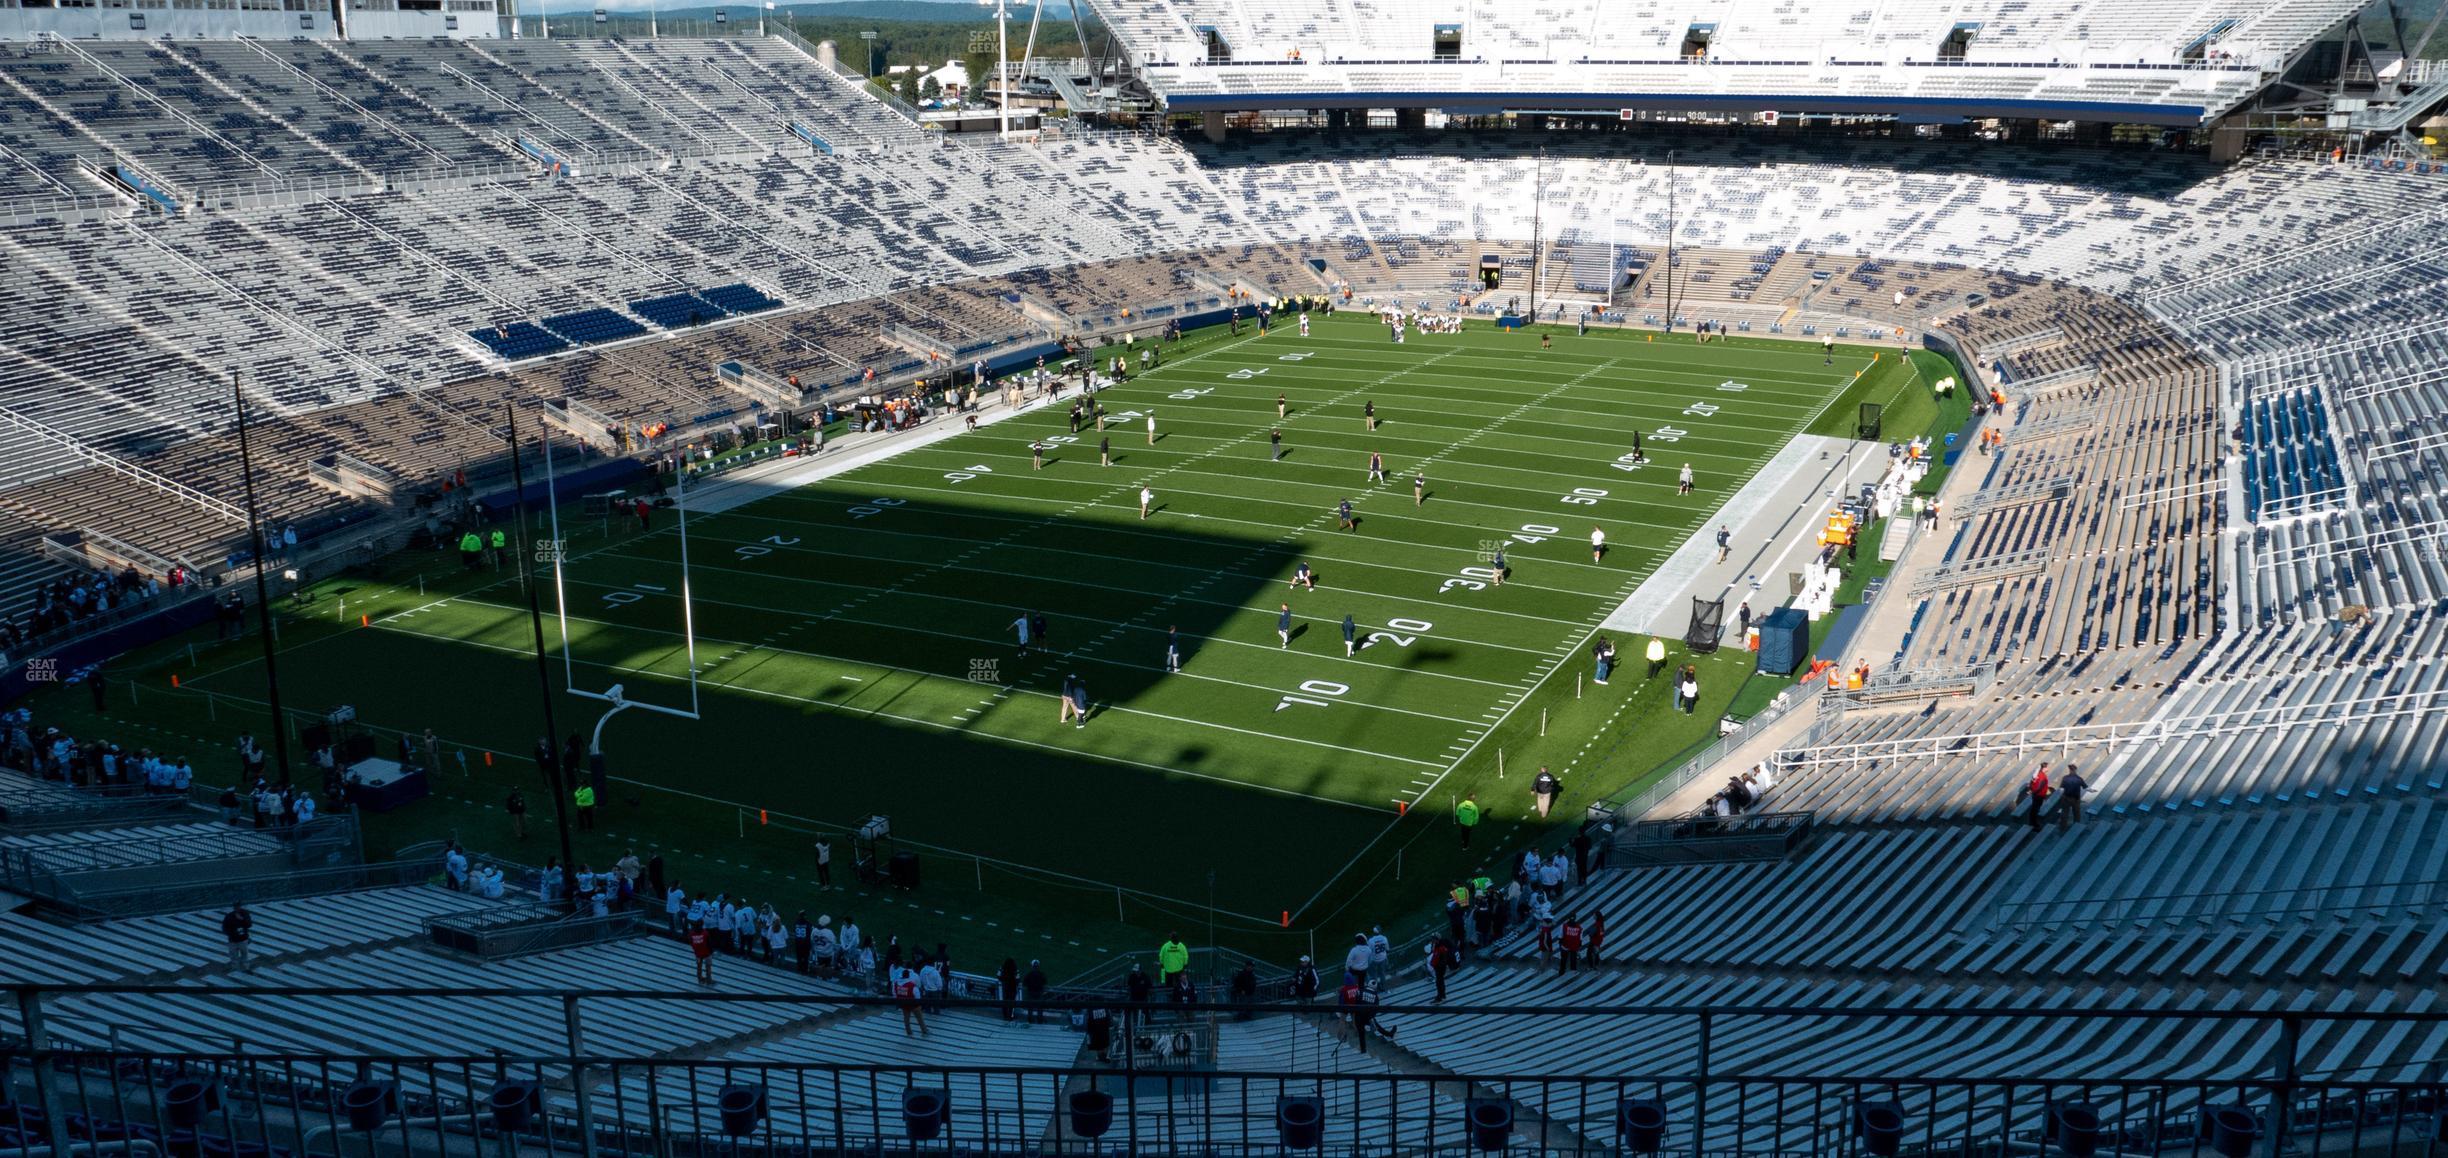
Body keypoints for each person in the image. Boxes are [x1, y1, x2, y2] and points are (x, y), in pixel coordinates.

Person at [222, 901, 253, 972]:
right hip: (233, 939)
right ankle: (235, 969)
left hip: (242, 939)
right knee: (233, 956)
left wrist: (242, 919)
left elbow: (249, 924)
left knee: (244, 955)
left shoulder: (245, 914)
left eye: (238, 906)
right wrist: (230, 933)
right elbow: (224, 927)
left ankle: (246, 968)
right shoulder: (229, 916)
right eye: (236, 906)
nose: (237, 908)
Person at [2022, 763, 2053, 832]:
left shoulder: (2038, 775)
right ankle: (2034, 825)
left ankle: (2032, 823)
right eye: (2047, 767)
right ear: (2044, 768)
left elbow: (2032, 784)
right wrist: (2035, 793)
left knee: (2034, 809)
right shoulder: (2042, 776)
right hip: (2039, 795)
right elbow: (2039, 787)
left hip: (2036, 795)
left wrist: (2032, 791)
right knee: (2035, 810)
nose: (2048, 768)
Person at [689, 919, 714, 986]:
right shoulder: (705, 933)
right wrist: (711, 952)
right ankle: (709, 980)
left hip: (698, 954)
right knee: (708, 967)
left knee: (699, 967)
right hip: (707, 953)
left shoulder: (692, 933)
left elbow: (691, 943)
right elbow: (709, 944)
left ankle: (700, 979)